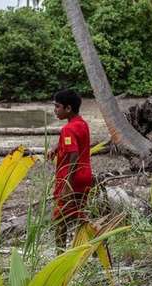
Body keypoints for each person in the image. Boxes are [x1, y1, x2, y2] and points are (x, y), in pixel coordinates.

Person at [47, 90, 93, 251]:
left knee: (59, 219)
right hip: (85, 176)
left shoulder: (67, 129)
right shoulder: (82, 124)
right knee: (80, 214)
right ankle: (93, 249)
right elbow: (76, 143)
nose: (55, 110)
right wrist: (56, 148)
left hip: (71, 178)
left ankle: (60, 255)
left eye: (57, 107)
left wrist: (67, 184)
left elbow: (73, 155)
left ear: (68, 109)